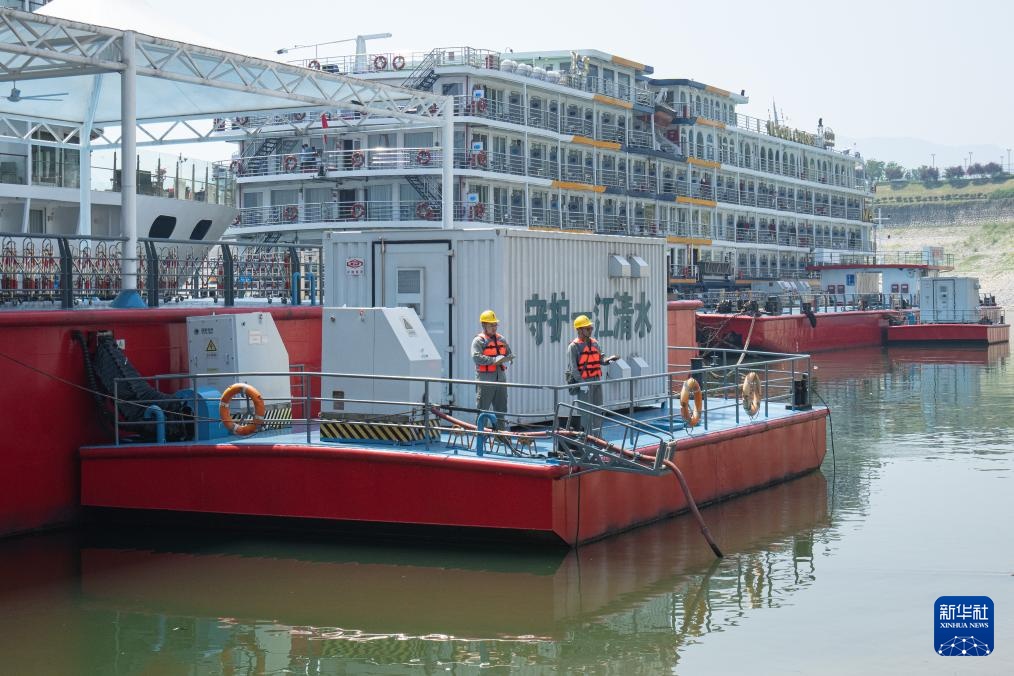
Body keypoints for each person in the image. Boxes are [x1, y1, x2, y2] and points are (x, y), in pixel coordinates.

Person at [565, 315, 617, 437]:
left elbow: (600, 359)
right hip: (584, 382)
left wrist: (608, 360)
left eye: (591, 328)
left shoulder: (595, 343)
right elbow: (573, 368)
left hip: (596, 380)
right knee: (586, 412)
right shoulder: (573, 347)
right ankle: (588, 438)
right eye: (587, 328)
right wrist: (582, 383)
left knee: (598, 409)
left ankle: (598, 436)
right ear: (579, 330)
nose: (590, 330)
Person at [471, 309, 514, 429]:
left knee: (501, 409)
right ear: (484, 325)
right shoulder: (478, 341)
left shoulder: (501, 339)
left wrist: (509, 358)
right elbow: (476, 357)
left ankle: (500, 436)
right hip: (485, 379)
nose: (494, 327)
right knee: (482, 409)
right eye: (491, 325)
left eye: (495, 324)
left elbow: (508, 353)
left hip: (500, 379)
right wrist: (494, 360)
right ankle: (480, 436)